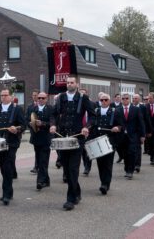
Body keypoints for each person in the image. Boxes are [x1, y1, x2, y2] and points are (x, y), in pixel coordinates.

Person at [50, 75, 95, 211]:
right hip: (63, 137)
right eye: (68, 82)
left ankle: (70, 199)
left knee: (73, 168)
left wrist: (86, 126)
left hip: (77, 137)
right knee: (66, 169)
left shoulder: (83, 98)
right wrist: (53, 125)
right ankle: (77, 192)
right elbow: (53, 114)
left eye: (72, 82)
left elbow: (93, 116)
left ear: (77, 84)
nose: (69, 84)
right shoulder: (61, 97)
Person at [0, 88, 26, 205]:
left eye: (5, 95)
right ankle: (9, 190)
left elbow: (23, 125)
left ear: (11, 96)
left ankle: (6, 194)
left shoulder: (17, 109)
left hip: (11, 142)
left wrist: (16, 129)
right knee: (2, 166)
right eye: (1, 95)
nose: (3, 97)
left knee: (7, 166)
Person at [90, 93, 123, 195]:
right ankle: (102, 182)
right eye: (102, 100)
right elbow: (91, 125)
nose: (103, 102)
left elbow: (122, 125)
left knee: (108, 164)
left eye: (106, 100)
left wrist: (117, 128)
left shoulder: (115, 112)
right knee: (100, 164)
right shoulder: (96, 111)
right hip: (98, 141)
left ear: (109, 101)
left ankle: (105, 184)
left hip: (109, 141)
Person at [26, 92, 54, 190]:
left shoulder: (50, 109)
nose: (41, 100)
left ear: (47, 99)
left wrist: (42, 123)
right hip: (36, 138)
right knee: (39, 160)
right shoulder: (32, 109)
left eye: (43, 98)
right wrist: (31, 124)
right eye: (39, 98)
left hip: (46, 138)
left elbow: (52, 122)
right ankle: (46, 180)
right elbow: (26, 121)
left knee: (43, 160)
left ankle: (40, 181)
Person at [118, 93, 145, 179]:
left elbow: (141, 123)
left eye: (126, 98)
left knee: (132, 152)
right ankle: (127, 169)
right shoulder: (118, 110)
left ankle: (130, 171)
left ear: (129, 99)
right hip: (122, 136)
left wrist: (142, 135)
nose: (125, 100)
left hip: (133, 135)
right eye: (123, 98)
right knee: (125, 154)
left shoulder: (136, 109)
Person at [132, 94, 151, 172]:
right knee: (131, 149)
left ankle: (137, 165)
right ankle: (131, 164)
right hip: (131, 131)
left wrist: (148, 131)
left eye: (136, 98)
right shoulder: (130, 107)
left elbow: (146, 119)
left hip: (139, 131)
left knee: (138, 149)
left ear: (139, 99)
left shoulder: (143, 107)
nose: (134, 99)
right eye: (133, 98)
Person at [25, 89, 39, 174]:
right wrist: (30, 125)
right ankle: (36, 166)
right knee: (36, 150)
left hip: (42, 131)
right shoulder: (30, 107)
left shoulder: (43, 105)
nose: (34, 96)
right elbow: (26, 118)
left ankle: (38, 166)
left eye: (36, 95)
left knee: (41, 151)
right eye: (33, 95)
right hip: (34, 132)